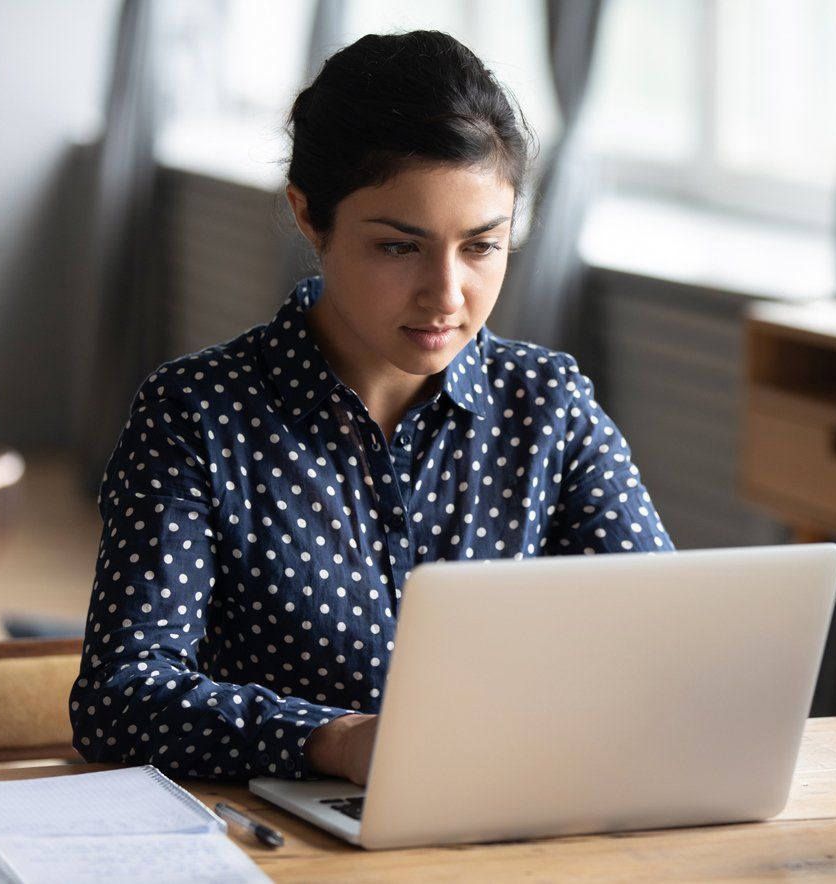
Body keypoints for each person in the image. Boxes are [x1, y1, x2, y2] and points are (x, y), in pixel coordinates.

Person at [69, 30, 673, 787]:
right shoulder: (198, 415)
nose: (447, 296)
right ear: (308, 216)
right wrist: (335, 741)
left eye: (482, 247)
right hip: (285, 841)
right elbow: (118, 698)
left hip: (519, 814)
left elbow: (663, 641)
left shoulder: (548, 406)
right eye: (399, 248)